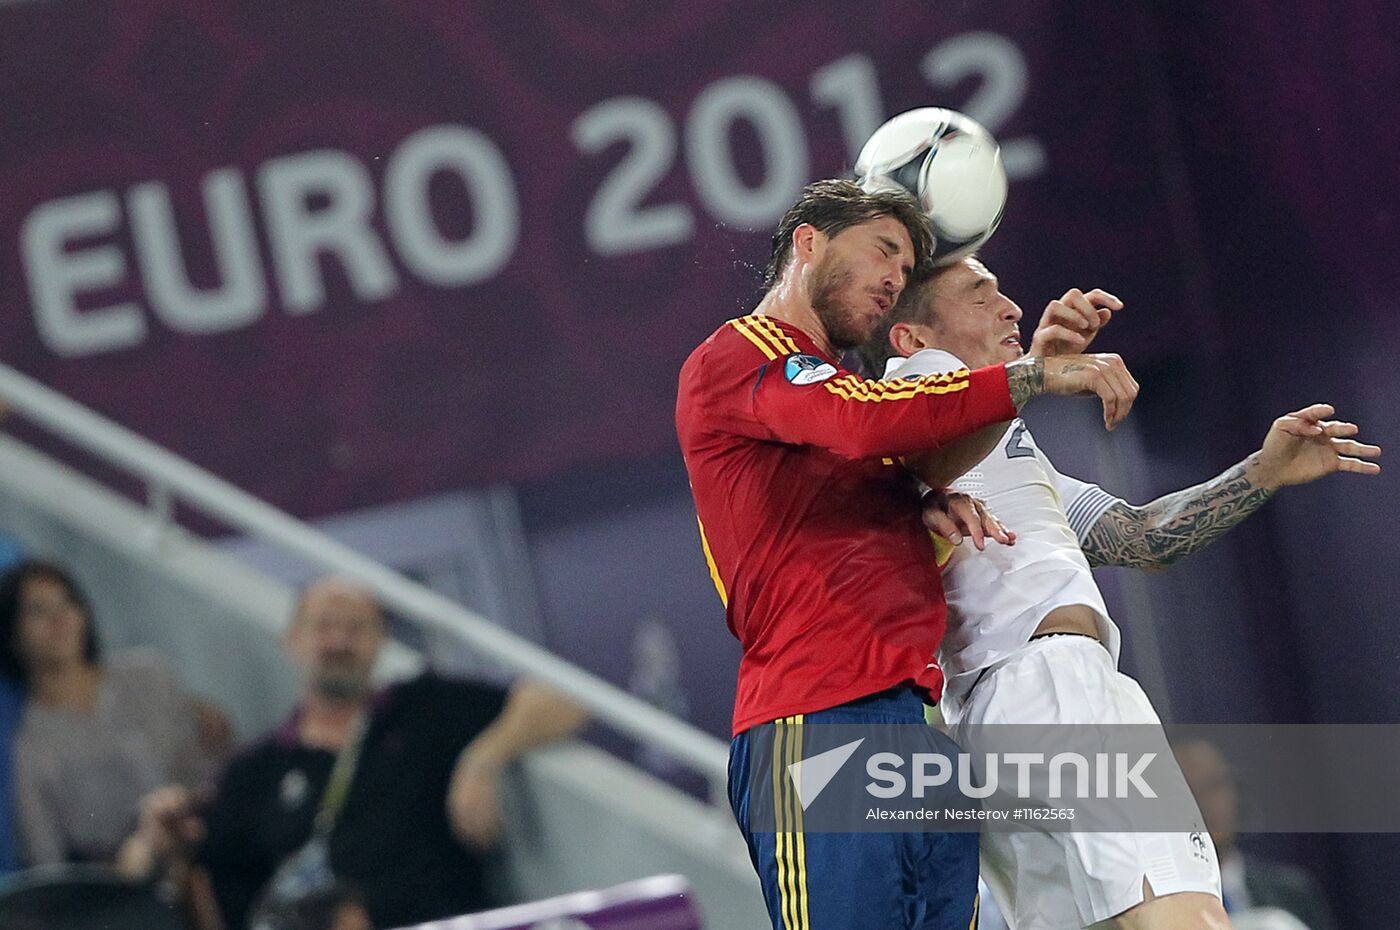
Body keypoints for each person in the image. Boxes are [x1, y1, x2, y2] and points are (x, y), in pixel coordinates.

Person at [860, 255, 1379, 930]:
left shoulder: (1003, 457)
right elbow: (936, 422)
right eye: (979, 296)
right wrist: (1040, 370)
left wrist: (1263, 470)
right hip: (1056, 682)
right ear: (911, 340)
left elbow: (1143, 539)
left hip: (990, 722)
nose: (1013, 308)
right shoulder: (916, 386)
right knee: (1183, 916)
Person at [676, 179, 1141, 930]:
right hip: (812, 727)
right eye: (884, 251)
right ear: (808, 243)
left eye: (905, 264)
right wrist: (1030, 375)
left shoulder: (838, 412)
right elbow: (862, 424)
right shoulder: (745, 354)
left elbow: (857, 478)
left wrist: (918, 508)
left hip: (916, 726)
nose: (896, 277)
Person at [121, 575, 587, 930]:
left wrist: (484, 756)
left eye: (356, 628)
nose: (339, 641)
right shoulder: (254, 769)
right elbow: (151, 864)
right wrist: (154, 840)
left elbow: (565, 699)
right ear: (294, 641)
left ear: (380, 641)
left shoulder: (423, 707)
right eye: (324, 626)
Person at [0, 559, 229, 867]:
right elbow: (47, 862)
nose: (60, 618)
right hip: (124, 882)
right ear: (12, 634)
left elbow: (212, 762)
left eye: (67, 602)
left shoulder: (150, 674)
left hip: (206, 839)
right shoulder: (29, 747)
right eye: (38, 610)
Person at [1176, 739, 1338, 930]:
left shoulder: (1291, 894)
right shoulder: (1160, 905)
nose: (1205, 803)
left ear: (1236, 790)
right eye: (1188, 791)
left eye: (1214, 785)